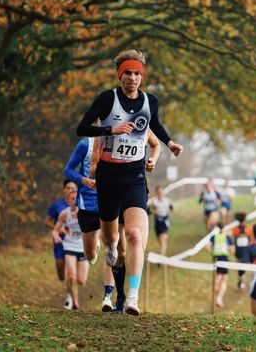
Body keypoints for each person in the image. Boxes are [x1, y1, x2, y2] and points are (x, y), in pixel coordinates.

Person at [76, 49, 183, 316]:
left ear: (141, 77)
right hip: (108, 178)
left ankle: (133, 297)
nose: (132, 78)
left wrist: (169, 144)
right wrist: (109, 129)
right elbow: (82, 128)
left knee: (135, 235)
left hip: (134, 178)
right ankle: (111, 248)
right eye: (128, 73)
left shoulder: (150, 101)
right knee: (112, 239)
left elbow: (155, 125)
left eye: (137, 73)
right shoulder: (106, 99)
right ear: (120, 75)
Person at [64, 137, 116, 312]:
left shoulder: (118, 143)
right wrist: (84, 181)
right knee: (90, 255)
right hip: (87, 204)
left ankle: (108, 295)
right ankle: (96, 244)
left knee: (112, 247)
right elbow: (68, 171)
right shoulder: (85, 145)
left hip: (109, 202)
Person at [52, 191, 90, 310]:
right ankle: (75, 302)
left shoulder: (85, 213)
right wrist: (56, 236)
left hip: (82, 248)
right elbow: (55, 230)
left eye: (76, 198)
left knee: (81, 280)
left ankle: (72, 298)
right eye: (72, 199)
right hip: (69, 246)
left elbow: (94, 229)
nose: (74, 201)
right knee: (71, 276)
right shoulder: (64, 214)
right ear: (68, 201)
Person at [45, 179, 78, 290]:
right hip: (59, 240)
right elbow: (47, 221)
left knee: (71, 273)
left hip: (74, 242)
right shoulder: (57, 205)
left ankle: (71, 298)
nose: (70, 190)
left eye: (73, 188)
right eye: (68, 188)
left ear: (76, 190)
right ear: (64, 190)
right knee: (62, 275)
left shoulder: (80, 205)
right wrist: (58, 229)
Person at [207, 222, 234, 307]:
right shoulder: (227, 237)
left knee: (218, 276)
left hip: (215, 258)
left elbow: (207, 247)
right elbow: (232, 250)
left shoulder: (213, 236)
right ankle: (219, 298)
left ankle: (215, 291)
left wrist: (212, 252)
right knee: (224, 278)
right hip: (224, 258)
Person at [148, 185, 173, 257]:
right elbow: (146, 210)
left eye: (161, 191)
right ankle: (164, 256)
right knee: (160, 241)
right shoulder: (153, 201)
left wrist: (171, 208)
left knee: (163, 240)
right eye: (158, 192)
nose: (160, 193)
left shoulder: (167, 201)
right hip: (157, 223)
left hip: (165, 222)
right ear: (156, 192)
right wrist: (153, 212)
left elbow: (171, 208)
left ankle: (160, 258)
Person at [231, 211, 254, 289]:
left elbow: (234, 238)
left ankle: (241, 280)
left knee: (239, 265)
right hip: (247, 249)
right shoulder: (249, 228)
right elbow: (251, 239)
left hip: (238, 250)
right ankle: (252, 280)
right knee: (251, 265)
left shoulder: (235, 229)